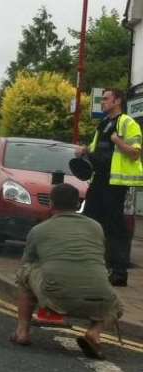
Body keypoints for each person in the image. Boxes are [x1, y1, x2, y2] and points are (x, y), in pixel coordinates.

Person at [12, 183, 122, 360]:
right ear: (78, 204)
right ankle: (95, 332)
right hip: (99, 298)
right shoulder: (96, 227)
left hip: (57, 295)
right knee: (116, 303)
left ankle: (22, 331)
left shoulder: (39, 230)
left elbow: (27, 262)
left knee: (25, 273)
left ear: (51, 204)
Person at [76, 88, 143, 287]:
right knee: (90, 222)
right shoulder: (103, 124)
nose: (102, 102)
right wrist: (84, 151)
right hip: (99, 181)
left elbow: (134, 153)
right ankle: (91, 267)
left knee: (115, 228)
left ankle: (119, 272)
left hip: (116, 184)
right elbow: (96, 150)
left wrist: (117, 140)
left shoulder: (127, 123)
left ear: (117, 101)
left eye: (106, 99)